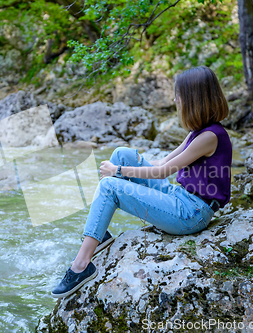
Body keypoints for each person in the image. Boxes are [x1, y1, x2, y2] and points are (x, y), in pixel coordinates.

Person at [51, 65, 232, 298]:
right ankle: (99, 233)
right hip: (181, 197)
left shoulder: (209, 137)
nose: (176, 99)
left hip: (191, 213)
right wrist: (127, 164)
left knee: (109, 186)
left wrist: (118, 171)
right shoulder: (198, 132)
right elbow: (162, 161)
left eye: (180, 95)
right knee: (122, 153)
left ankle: (80, 266)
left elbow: (163, 172)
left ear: (193, 99)